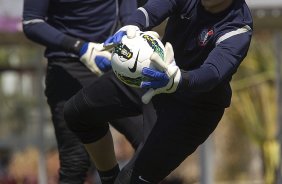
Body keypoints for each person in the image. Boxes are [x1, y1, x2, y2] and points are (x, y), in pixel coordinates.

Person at [64, 0, 253, 183]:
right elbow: (150, 11)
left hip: (193, 110)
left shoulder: (238, 28)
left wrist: (176, 79)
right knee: (77, 112)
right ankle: (109, 179)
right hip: (151, 76)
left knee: (129, 181)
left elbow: (211, 73)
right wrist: (130, 27)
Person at [22, 0, 153, 184]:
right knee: (75, 163)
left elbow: (129, 15)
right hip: (67, 66)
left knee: (151, 141)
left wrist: (130, 34)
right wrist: (80, 47)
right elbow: (31, 23)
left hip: (111, 62)